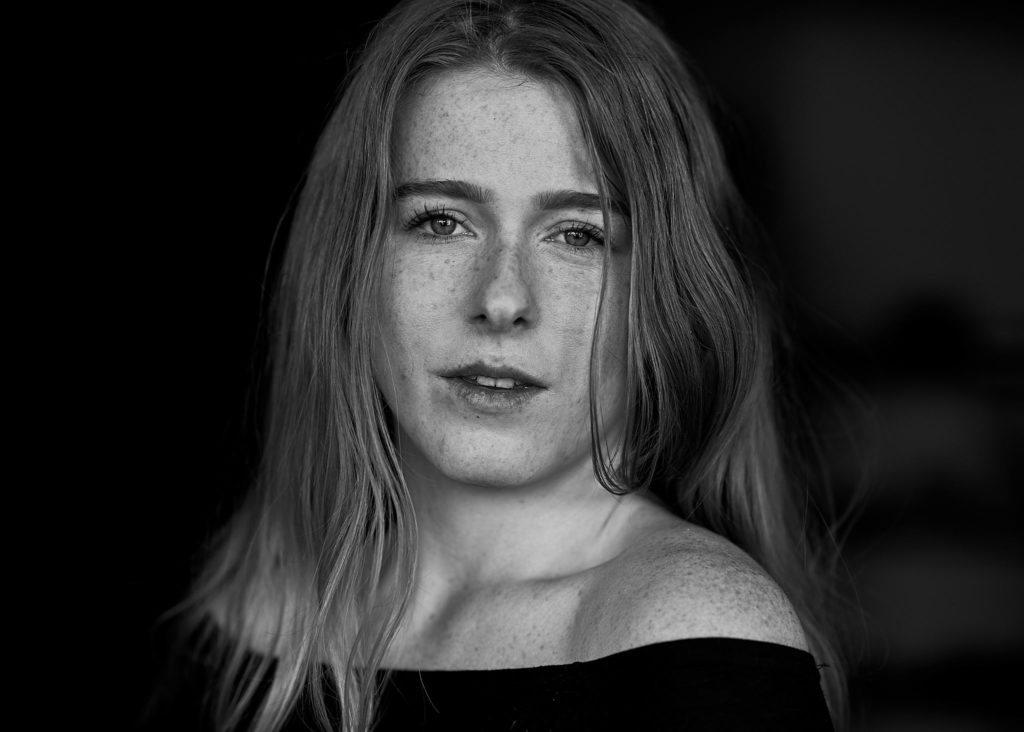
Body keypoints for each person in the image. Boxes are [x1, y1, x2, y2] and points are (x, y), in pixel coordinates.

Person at [148, 0, 847, 729]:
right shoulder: (246, 608)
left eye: (578, 235)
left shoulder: (697, 634)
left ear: (670, 295)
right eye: (441, 222)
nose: (503, 299)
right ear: (349, 268)